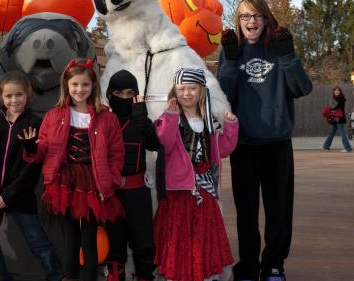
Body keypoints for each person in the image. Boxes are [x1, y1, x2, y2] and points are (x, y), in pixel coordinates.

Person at [217, 0, 313, 281]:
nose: (251, 22)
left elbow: (302, 88)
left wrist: (287, 57)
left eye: (257, 16)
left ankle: (273, 264)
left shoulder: (278, 49)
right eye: (245, 16)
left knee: (278, 212)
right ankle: (247, 265)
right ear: (239, 21)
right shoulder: (231, 50)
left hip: (276, 143)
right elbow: (223, 96)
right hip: (243, 145)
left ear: (267, 19)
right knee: (246, 212)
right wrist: (232, 62)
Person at [23, 58, 125, 281]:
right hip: (64, 183)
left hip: (93, 181)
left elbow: (116, 155)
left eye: (85, 85)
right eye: (75, 85)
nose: (80, 89)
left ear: (93, 87)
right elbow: (43, 149)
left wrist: (111, 182)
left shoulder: (107, 118)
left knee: (89, 240)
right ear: (67, 86)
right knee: (70, 238)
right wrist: (32, 148)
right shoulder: (54, 115)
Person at [0, 70, 63, 281]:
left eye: (18, 95)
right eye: (9, 96)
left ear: (27, 95)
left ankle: (57, 276)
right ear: (1, 97)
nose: (14, 100)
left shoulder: (36, 124)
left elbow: (33, 167)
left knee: (38, 243)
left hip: (20, 195)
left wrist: (10, 195)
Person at [153, 68, 238, 281]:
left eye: (192, 89)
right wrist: (171, 116)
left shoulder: (209, 121)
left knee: (203, 235)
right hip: (179, 190)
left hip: (205, 187)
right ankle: (178, 275)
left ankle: (203, 274)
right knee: (179, 236)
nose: (187, 93)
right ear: (175, 91)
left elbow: (223, 150)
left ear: (201, 91)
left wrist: (231, 126)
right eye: (181, 89)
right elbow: (164, 144)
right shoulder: (169, 118)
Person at [104, 70, 159, 281]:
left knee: (144, 243)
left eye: (130, 93)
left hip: (138, 193)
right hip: (111, 194)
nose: (125, 98)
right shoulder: (104, 120)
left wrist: (144, 122)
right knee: (114, 243)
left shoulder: (141, 120)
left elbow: (155, 145)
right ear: (110, 95)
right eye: (119, 93)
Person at [322, 87, 353, 152]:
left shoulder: (342, 98)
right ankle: (326, 146)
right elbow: (331, 106)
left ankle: (348, 148)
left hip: (339, 118)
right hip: (333, 118)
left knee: (342, 133)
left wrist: (331, 109)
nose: (336, 92)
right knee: (331, 133)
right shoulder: (333, 99)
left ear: (340, 92)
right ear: (333, 92)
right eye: (335, 91)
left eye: (338, 90)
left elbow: (339, 106)